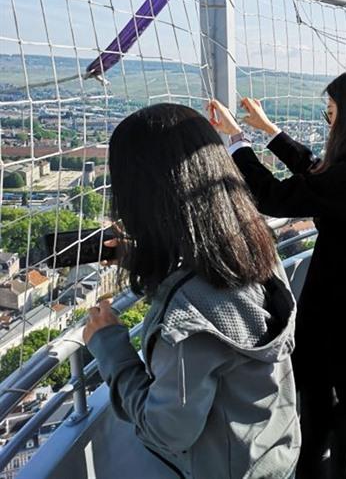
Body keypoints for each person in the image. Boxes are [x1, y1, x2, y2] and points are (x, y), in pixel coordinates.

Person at [207, 68, 346, 479]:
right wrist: (269, 131)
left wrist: (236, 142)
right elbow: (322, 173)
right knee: (332, 396)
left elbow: (275, 196)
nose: (330, 121)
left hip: (341, 308)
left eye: (332, 113)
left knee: (324, 405)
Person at [84, 103, 300, 479]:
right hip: (273, 451)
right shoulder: (255, 250)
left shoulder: (190, 318)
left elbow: (167, 430)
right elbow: (213, 277)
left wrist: (109, 346)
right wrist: (140, 256)